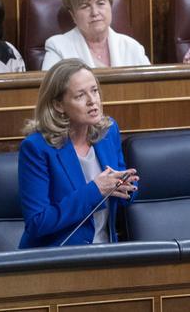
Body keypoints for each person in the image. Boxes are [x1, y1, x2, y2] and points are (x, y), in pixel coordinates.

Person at [18, 59, 139, 248]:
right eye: (80, 95)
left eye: (94, 90)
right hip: (56, 259)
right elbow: (37, 223)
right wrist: (95, 190)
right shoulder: (37, 148)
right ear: (59, 105)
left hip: (107, 250)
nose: (92, 101)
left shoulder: (108, 131)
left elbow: (119, 188)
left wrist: (126, 186)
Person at [42, 0, 150, 69]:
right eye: (85, 6)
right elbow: (51, 90)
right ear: (73, 15)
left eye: (101, 3)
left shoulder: (132, 47)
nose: (95, 12)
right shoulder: (58, 47)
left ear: (111, 7)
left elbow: (149, 87)